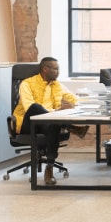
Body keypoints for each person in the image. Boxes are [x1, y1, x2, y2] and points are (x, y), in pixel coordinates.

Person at [13, 57, 89, 185]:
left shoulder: (56, 85)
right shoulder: (27, 83)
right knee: (36, 107)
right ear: (45, 69)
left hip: (46, 123)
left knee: (53, 124)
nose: (58, 72)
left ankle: (49, 167)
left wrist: (93, 102)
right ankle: (72, 127)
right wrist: (55, 112)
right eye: (56, 69)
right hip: (28, 123)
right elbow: (28, 107)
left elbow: (74, 99)